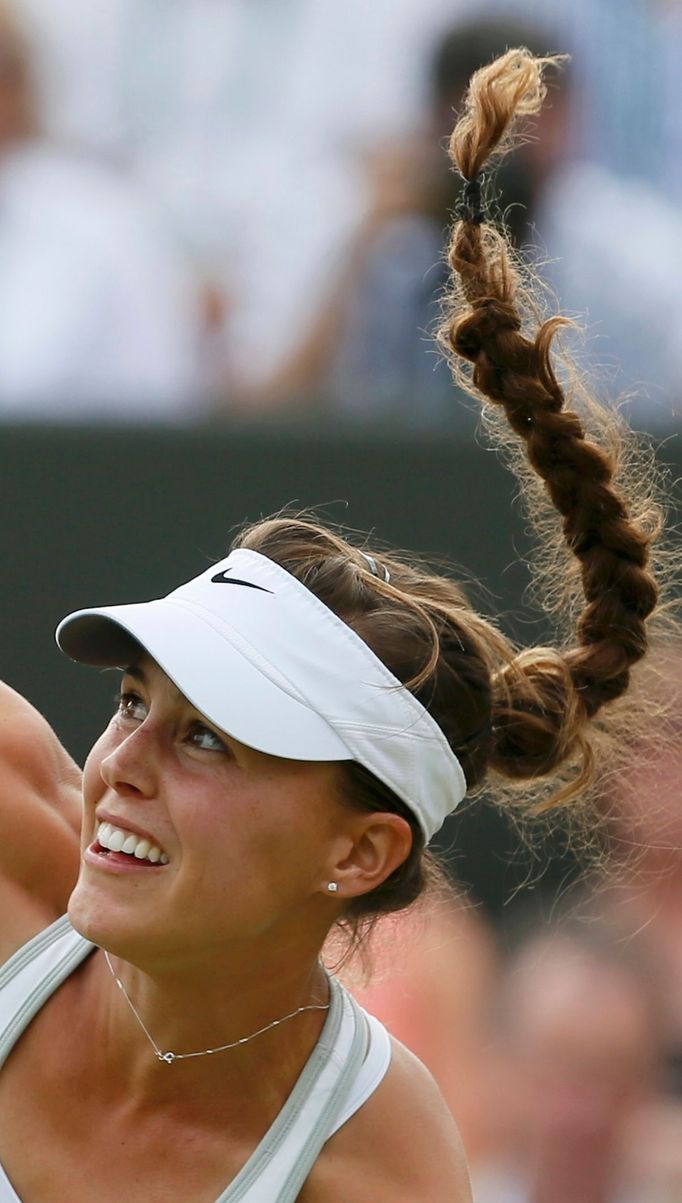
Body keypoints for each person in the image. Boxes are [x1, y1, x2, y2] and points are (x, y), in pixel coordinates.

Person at [0, 48, 676, 1201]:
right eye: (132, 703)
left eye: (209, 737)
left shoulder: (376, 1174)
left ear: (357, 853)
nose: (120, 767)